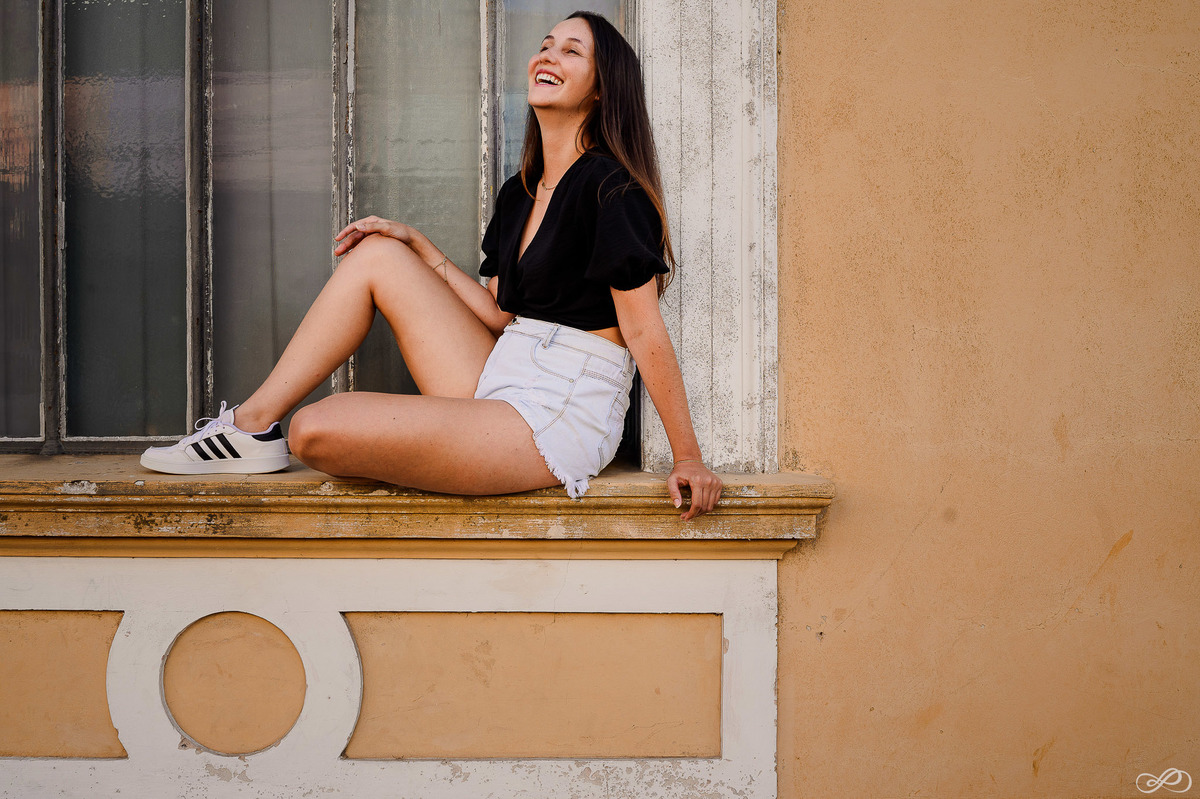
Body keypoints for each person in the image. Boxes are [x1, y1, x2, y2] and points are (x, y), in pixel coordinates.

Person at [141, 11, 722, 520]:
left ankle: (291, 434)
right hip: (505, 368)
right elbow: (499, 315)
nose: (548, 55)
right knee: (379, 254)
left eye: (572, 51)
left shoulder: (612, 189)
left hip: (562, 406)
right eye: (545, 44)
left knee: (314, 429)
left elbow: (643, 331)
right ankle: (250, 427)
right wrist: (420, 247)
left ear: (601, 90)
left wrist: (688, 456)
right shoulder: (520, 191)